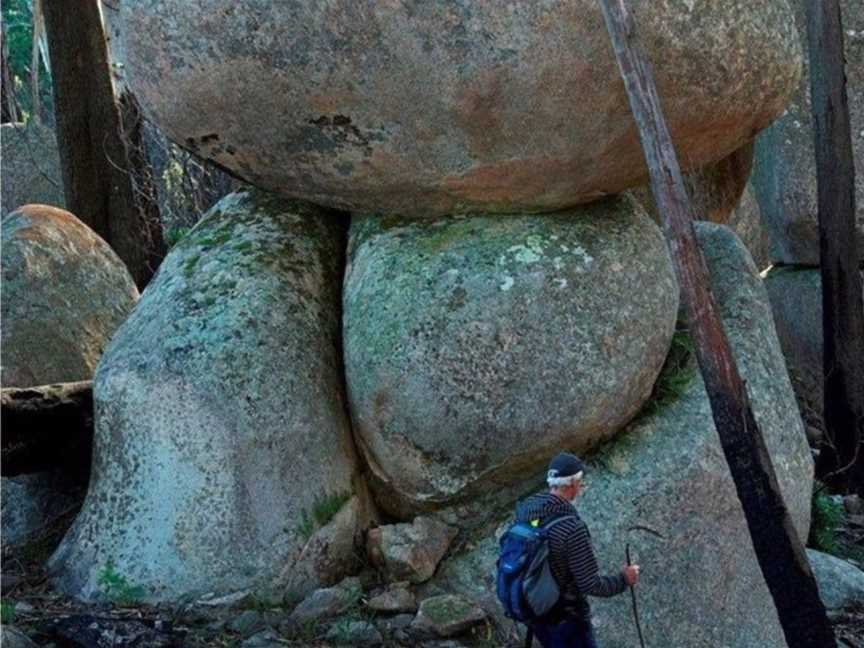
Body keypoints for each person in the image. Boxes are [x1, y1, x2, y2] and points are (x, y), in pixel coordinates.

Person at [516, 452, 640, 648]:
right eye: (580, 480)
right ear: (573, 484)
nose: (581, 486)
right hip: (567, 619)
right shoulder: (571, 529)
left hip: (535, 611)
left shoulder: (527, 513)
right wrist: (624, 579)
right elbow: (590, 584)